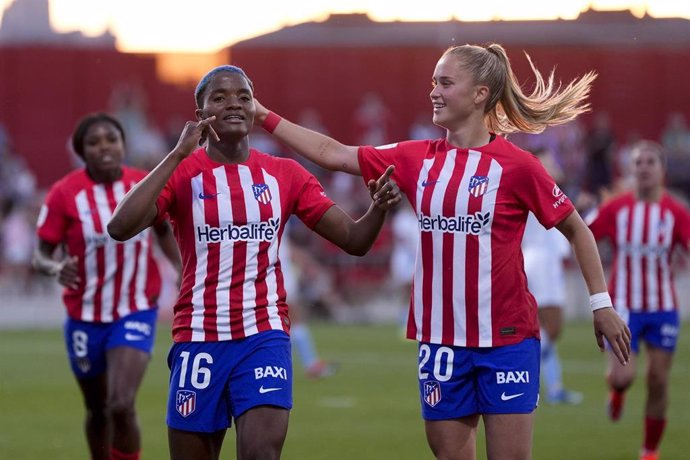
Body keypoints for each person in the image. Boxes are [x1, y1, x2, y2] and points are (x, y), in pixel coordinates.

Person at [254, 43, 632, 460]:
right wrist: (263, 116)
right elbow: (334, 154)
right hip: (440, 343)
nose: (434, 90)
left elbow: (577, 229)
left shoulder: (518, 166)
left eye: (446, 82)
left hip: (506, 339)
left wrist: (601, 304)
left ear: (480, 94)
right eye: (433, 81)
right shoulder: (415, 159)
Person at [106, 65, 401, 460]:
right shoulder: (183, 174)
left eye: (243, 97)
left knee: (262, 453)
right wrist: (177, 153)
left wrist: (378, 209)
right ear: (202, 114)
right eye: (220, 97)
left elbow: (354, 240)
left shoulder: (284, 174)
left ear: (254, 108)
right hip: (199, 336)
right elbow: (121, 226)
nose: (234, 104)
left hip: (263, 334)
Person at [32, 113, 182, 460]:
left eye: (111, 139)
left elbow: (162, 229)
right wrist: (56, 267)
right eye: (94, 142)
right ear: (81, 152)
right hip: (84, 316)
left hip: (135, 307)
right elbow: (40, 254)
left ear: (123, 144)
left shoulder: (143, 184)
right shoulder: (63, 194)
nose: (104, 148)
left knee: (121, 403)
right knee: (97, 408)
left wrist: (179, 266)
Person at [586, 140, 690, 460]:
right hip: (624, 307)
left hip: (662, 308)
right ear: (631, 170)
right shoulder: (617, 209)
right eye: (638, 162)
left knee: (658, 380)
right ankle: (617, 392)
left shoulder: (675, 212)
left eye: (650, 162)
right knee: (623, 376)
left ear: (662, 171)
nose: (643, 167)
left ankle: (649, 451)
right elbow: (585, 235)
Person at [521, 147, 582, 405]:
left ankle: (555, 387)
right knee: (552, 328)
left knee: (540, 327)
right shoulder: (541, 186)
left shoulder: (540, 190)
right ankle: (520, 366)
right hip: (542, 261)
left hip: (533, 258)